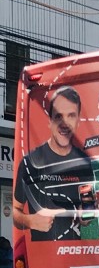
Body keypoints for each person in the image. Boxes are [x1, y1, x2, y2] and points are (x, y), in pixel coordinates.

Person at [13, 86, 93, 241]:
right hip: (43, 257)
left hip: (74, 256)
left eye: (71, 116)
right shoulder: (30, 162)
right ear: (50, 121)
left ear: (78, 120)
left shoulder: (84, 162)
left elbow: (87, 210)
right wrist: (30, 221)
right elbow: (15, 211)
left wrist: (87, 214)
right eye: (58, 117)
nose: (64, 123)